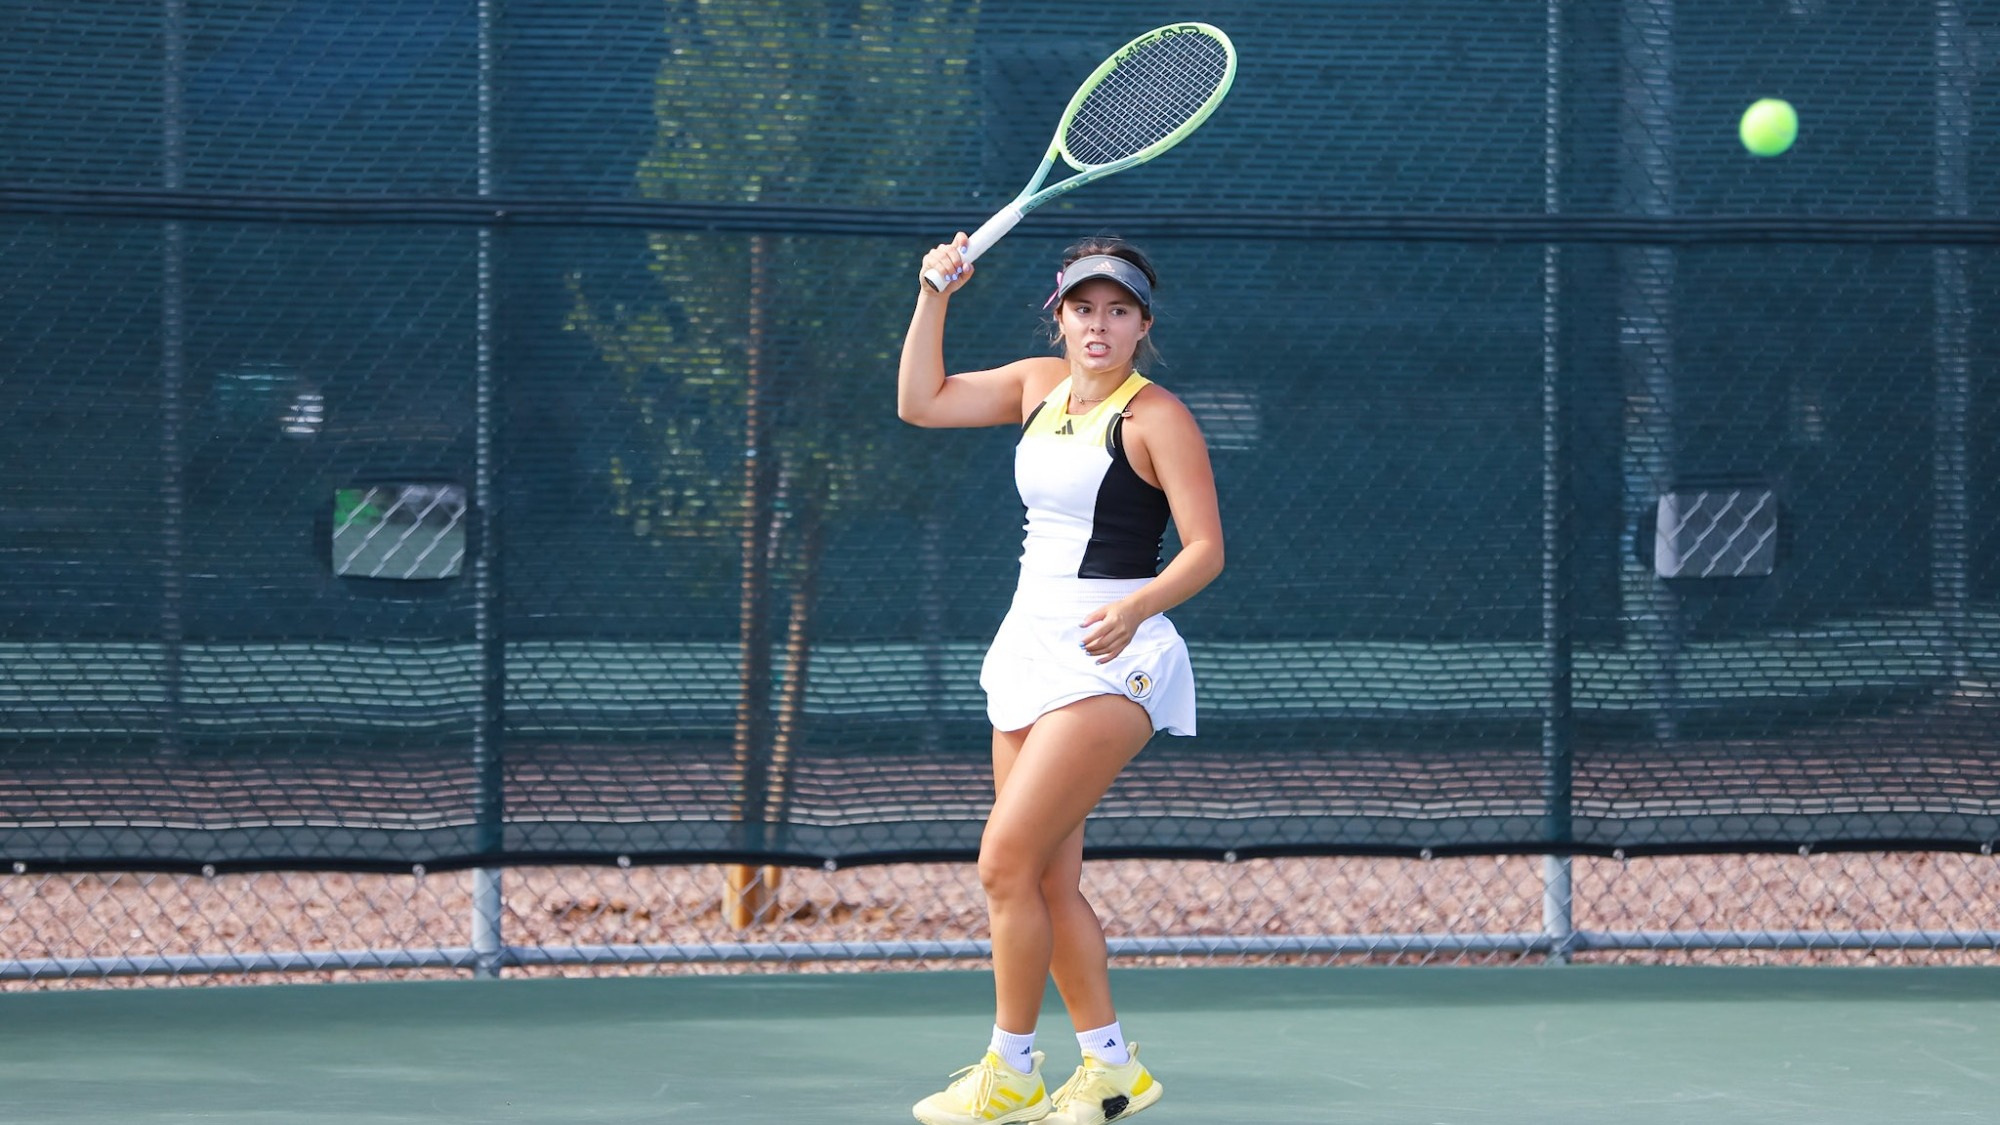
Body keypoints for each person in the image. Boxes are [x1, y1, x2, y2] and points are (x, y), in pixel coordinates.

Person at [897, 233, 1224, 1125]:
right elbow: (920, 401)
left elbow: (1205, 550)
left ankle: (1009, 1067)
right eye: (1084, 308)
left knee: (1002, 858)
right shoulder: (1037, 388)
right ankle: (1111, 1068)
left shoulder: (1157, 417)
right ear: (1060, 315)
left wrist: (1137, 605)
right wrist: (936, 294)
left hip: (1115, 654)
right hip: (1028, 645)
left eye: (1118, 311)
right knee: (1043, 877)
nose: (1099, 324)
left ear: (1141, 325)